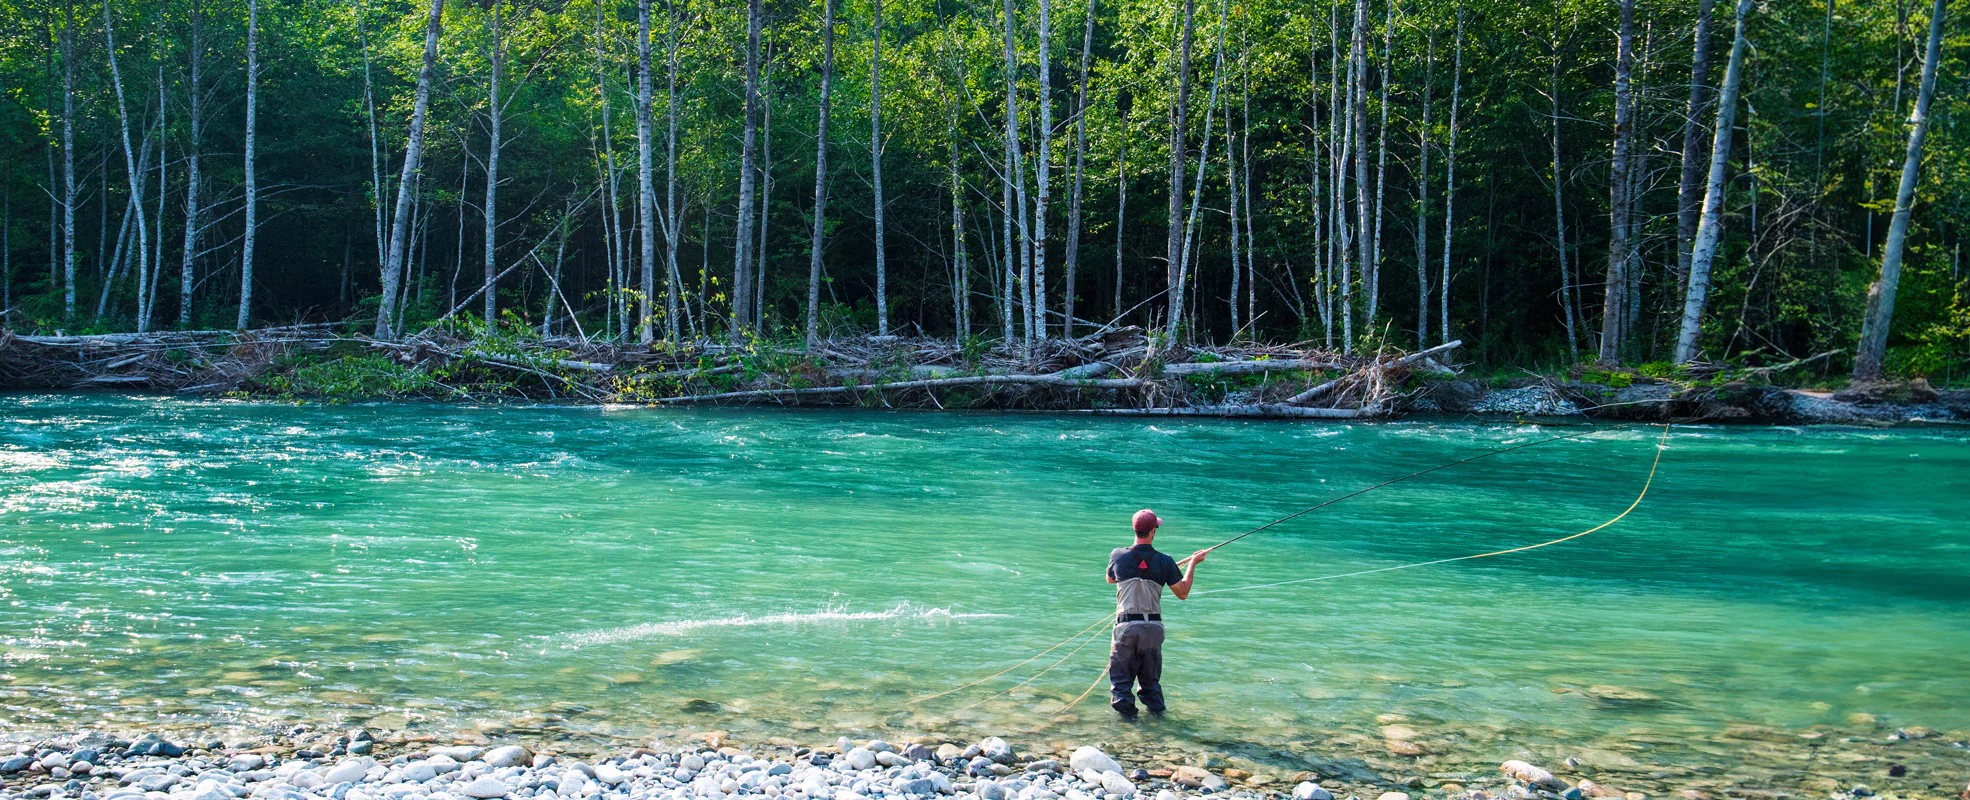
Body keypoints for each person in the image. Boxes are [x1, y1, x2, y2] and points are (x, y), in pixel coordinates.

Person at [1104, 509, 1207, 720]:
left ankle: (1128, 727)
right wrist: (1192, 564)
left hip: (1126, 627)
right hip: (1152, 628)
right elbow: (1183, 592)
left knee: (1121, 685)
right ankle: (1158, 727)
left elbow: (1111, 580)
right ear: (1153, 531)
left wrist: (1143, 571)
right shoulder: (1165, 561)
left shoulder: (1118, 555)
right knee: (1150, 683)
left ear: (1135, 529)